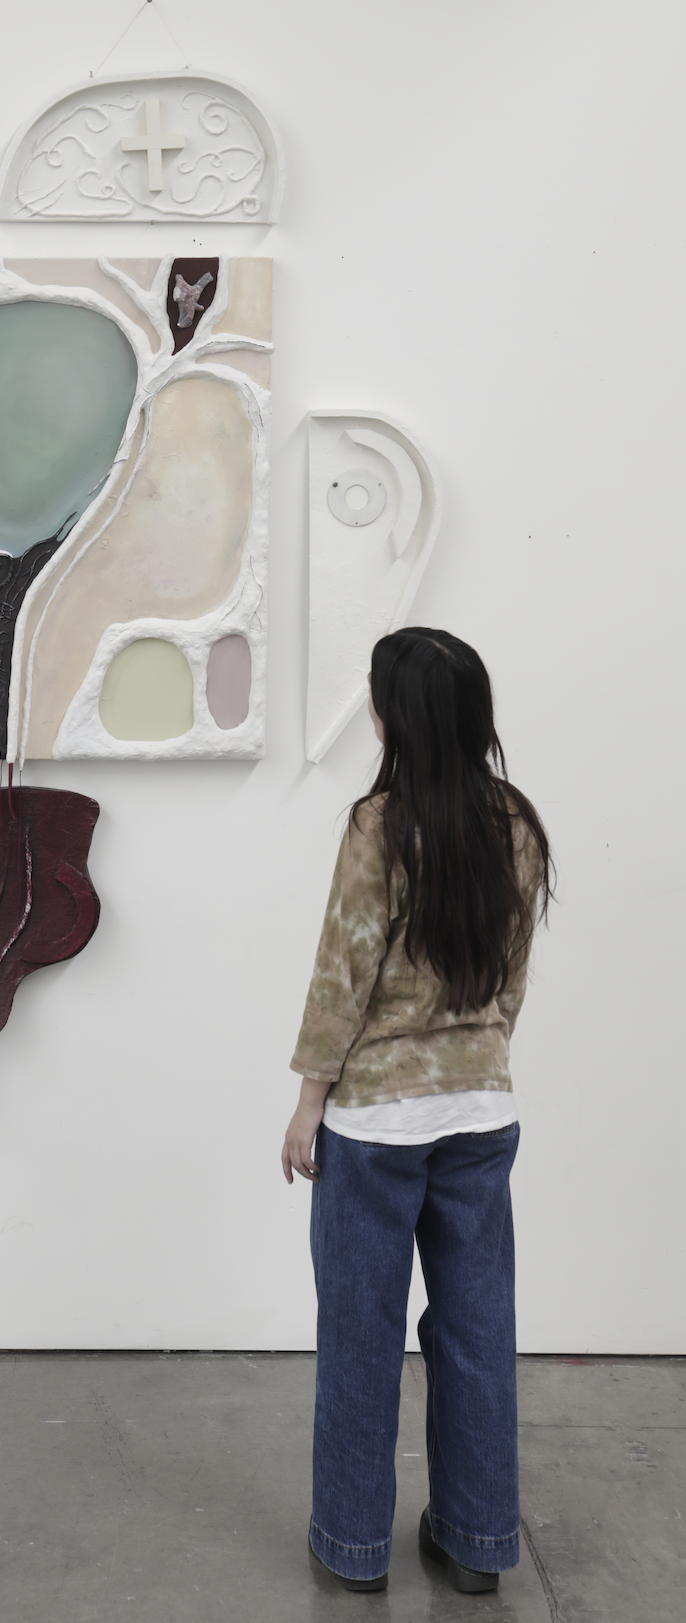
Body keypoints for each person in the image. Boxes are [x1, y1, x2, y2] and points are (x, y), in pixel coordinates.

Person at [282, 627, 552, 1595]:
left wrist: (307, 1101)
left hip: (376, 1126)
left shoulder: (379, 825)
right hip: (481, 1110)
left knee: (361, 1334)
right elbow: (510, 977)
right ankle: (477, 1545)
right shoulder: (515, 823)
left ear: (392, 716)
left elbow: (342, 972)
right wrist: (477, 1058)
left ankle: (354, 1550)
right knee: (477, 1333)